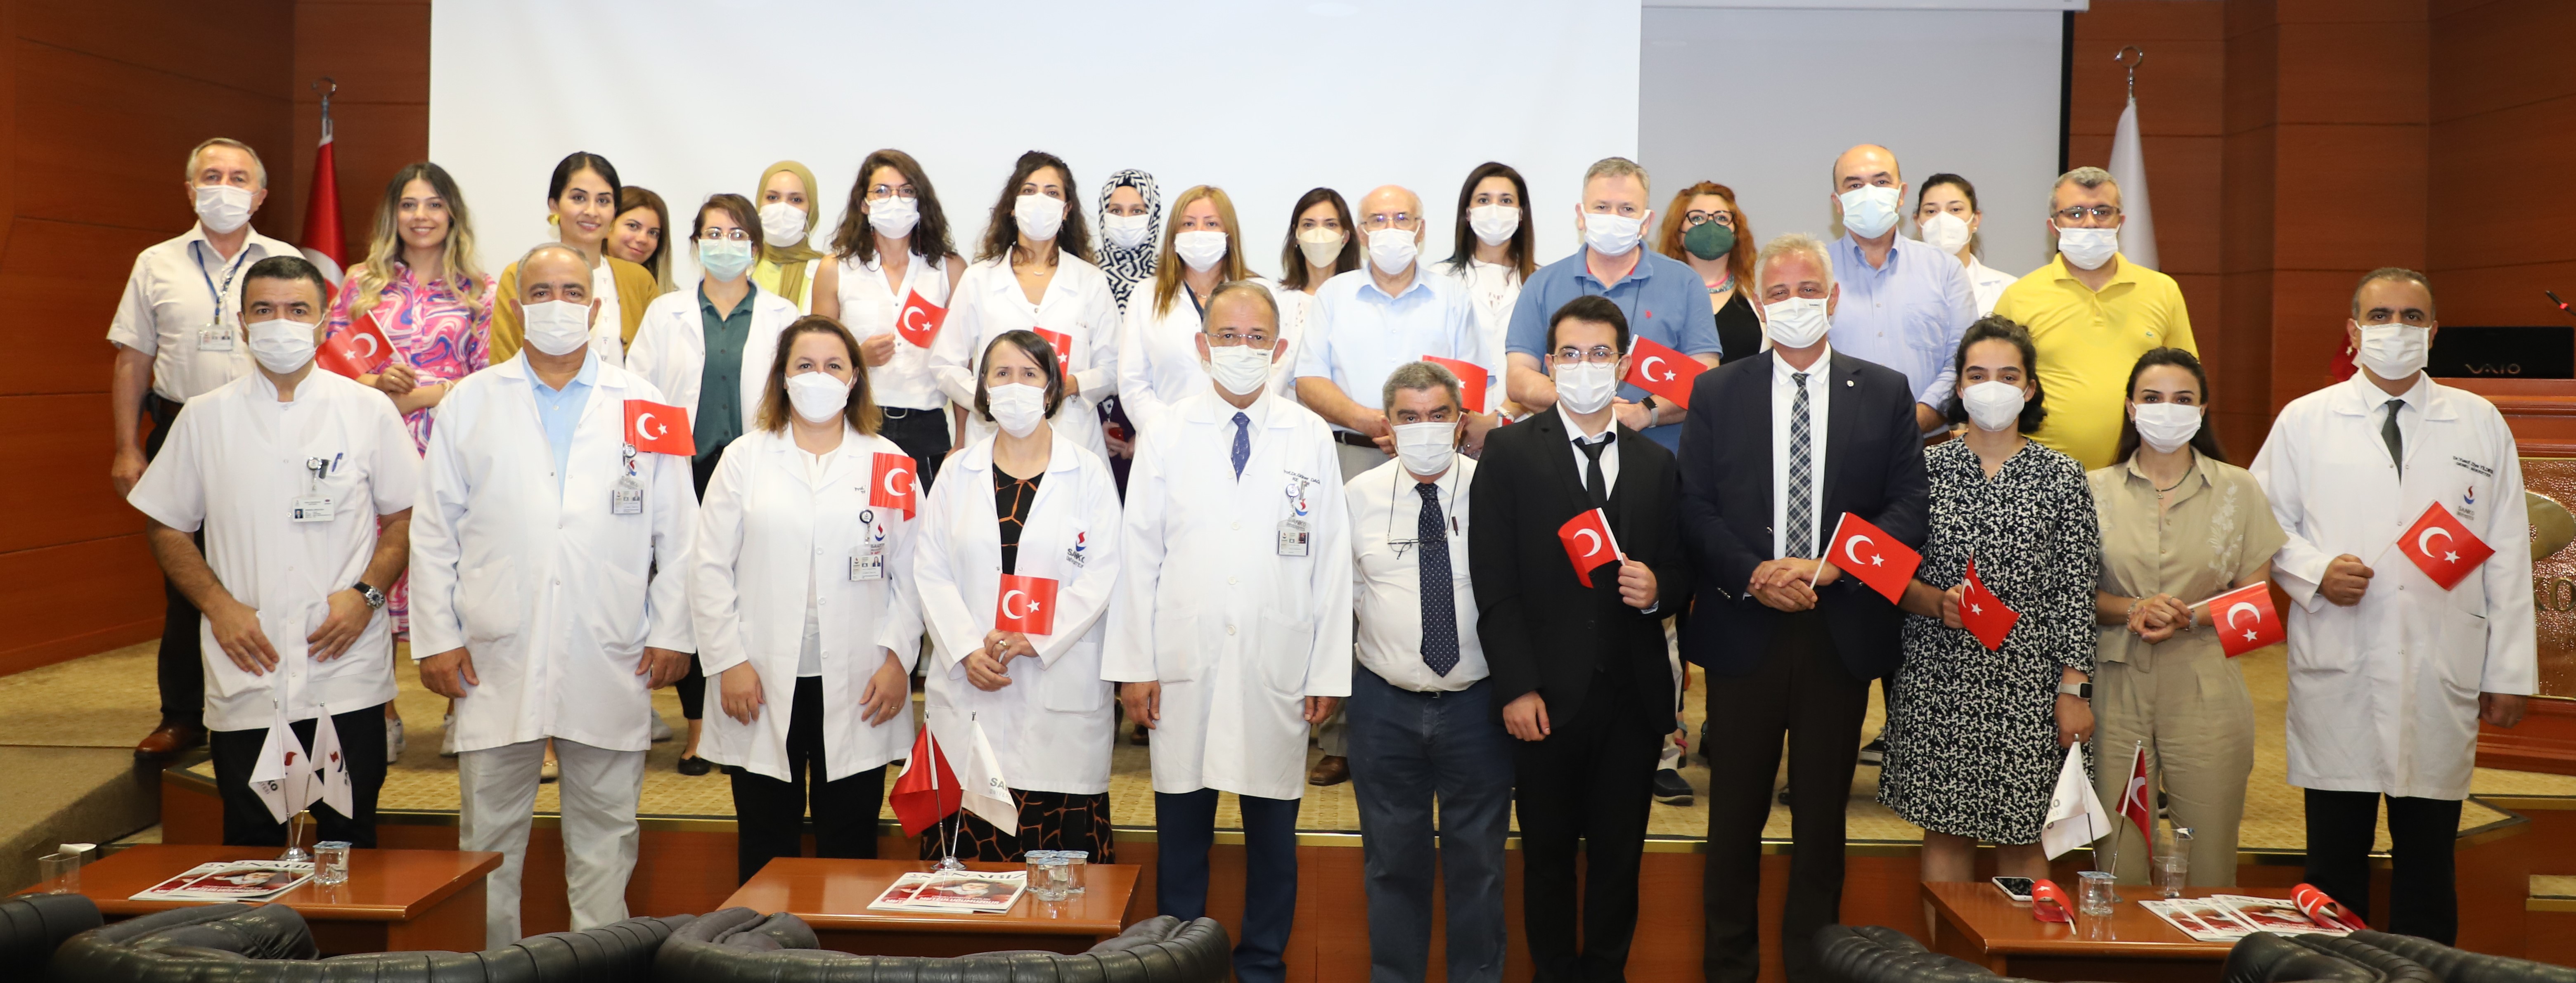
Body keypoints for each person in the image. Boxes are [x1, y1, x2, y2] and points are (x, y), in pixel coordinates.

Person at [410, 243, 697, 946]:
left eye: (572, 292)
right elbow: (434, 530)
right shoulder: (471, 401)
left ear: (595, 308)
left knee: (606, 837)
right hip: (494, 649)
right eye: (541, 293)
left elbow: (680, 534)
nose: (557, 306)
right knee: (487, 841)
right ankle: (494, 966)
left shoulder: (649, 405)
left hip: (611, 643)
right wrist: (438, 638)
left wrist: (673, 631)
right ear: (518, 307)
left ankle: (597, 965)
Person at [2250, 268, 2535, 944]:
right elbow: (2260, 523)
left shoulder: (2479, 421)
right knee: (2334, 861)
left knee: (2429, 861)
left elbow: (2507, 552)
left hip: (2440, 662)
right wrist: (2316, 571)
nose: (2396, 329)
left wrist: (2509, 671)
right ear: (2353, 331)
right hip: (2340, 656)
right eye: (2380, 316)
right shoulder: (2306, 419)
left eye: (2412, 316)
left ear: (2434, 332)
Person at [1679, 233, 1928, 983]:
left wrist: (1831, 566)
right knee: (1733, 821)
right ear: (1760, 306)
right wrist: (1755, 573)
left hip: (1838, 628)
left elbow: (1907, 509)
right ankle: (1729, 970)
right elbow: (1694, 507)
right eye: (1780, 292)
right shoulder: (1718, 391)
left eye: (1808, 290)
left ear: (1834, 298)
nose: (1795, 303)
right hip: (1744, 627)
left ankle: (1813, 970)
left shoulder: (1884, 390)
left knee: (1822, 824)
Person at [126, 255, 415, 847]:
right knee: (254, 843)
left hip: (344, 670)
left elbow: (407, 517)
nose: (281, 322)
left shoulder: (368, 410)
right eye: (265, 310)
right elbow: (167, 526)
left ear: (324, 322)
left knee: (348, 842)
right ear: (242, 322)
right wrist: (219, 607)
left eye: (297, 310)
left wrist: (366, 596)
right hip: (249, 667)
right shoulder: (204, 417)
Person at [1106, 282, 1350, 983]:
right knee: (1183, 839)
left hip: (1279, 660)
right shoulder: (1167, 431)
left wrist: (1327, 671)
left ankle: (1263, 965)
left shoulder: (1308, 433)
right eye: (1228, 336)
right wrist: (1135, 665)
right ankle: (1181, 966)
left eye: (1257, 338)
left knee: (1274, 842)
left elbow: (1332, 561)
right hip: (1183, 661)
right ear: (1202, 345)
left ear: (1279, 349)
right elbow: (1138, 555)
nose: (1242, 348)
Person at [1473, 295, 1689, 982]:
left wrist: (1660, 589)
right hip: (1543, 698)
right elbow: (1494, 582)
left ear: (1623, 365)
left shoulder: (1656, 463)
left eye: (1600, 354)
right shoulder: (1509, 452)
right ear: (1549, 364)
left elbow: (1683, 568)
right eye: (1571, 353)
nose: (1585, 365)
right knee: (1547, 858)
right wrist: (1517, 686)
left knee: (1620, 859)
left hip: (1632, 699)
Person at [1877, 318, 2101, 912]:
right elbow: (1889, 574)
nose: (1992, 387)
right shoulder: (1925, 470)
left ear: (2030, 388)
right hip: (1939, 677)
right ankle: (1943, 961)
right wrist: (1935, 601)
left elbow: (2075, 592)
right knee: (1945, 834)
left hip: (2030, 685)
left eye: (2008, 375)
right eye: (1978, 375)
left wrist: (2074, 690)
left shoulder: (2062, 476)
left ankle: (2018, 956)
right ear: (1959, 387)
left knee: (2024, 838)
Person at [690, 316, 919, 883]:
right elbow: (709, 568)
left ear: (855, 378)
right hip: (759, 678)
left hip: (864, 680)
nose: (819, 377)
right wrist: (729, 661)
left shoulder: (889, 462)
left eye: (834, 365)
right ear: (783, 377)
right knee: (767, 842)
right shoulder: (744, 458)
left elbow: (917, 573)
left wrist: (898, 660)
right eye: (805, 365)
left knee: (851, 841)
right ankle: (762, 941)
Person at [109, 137, 303, 761]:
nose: (225, 187)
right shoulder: (156, 263)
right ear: (191, 190)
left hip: (268, 432)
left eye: (238, 178)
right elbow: (133, 359)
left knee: (266, 565)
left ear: (261, 195)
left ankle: (276, 701)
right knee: (185, 575)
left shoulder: (285, 261)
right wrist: (126, 447)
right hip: (180, 429)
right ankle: (183, 716)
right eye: (212, 176)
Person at [911, 330, 1124, 862]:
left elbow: (1103, 573)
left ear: (1051, 389)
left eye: (1030, 374)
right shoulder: (957, 472)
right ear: (983, 388)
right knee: (969, 880)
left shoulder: (1088, 473)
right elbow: (930, 569)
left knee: (1062, 884)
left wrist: (1035, 637)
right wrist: (966, 649)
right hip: (972, 687)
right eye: (1002, 374)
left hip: (1060, 692)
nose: (1015, 385)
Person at [318, 162, 495, 760]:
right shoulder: (360, 283)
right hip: (372, 444)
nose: (422, 216)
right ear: (393, 214)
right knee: (375, 567)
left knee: (458, 572)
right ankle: (384, 713)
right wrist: (373, 383)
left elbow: (491, 379)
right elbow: (328, 366)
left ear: (453, 214)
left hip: (451, 445)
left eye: (435, 204)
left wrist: (418, 396)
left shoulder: (479, 290)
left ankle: (461, 707)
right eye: (410, 204)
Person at [2088, 347, 2280, 886]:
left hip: (2208, 682)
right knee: (2118, 862)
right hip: (2114, 683)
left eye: (2182, 399)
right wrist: (2133, 608)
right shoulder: (2091, 487)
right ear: (2131, 408)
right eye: (2152, 399)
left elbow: (2258, 605)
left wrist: (2187, 617)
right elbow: (2071, 595)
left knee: (2209, 861)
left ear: (2202, 410)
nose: (2166, 410)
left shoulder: (2239, 487)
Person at [627, 193, 805, 775]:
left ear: (755, 248)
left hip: (755, 471)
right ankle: (698, 727)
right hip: (684, 468)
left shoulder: (782, 315)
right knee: (688, 584)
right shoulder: (667, 313)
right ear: (696, 244)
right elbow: (639, 393)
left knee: (747, 587)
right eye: (713, 233)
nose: (725, 245)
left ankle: (752, 715)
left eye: (737, 234)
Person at [1343, 360, 1509, 983]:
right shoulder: (1357, 496)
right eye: (1409, 417)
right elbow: (1340, 597)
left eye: (1439, 414)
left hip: (1478, 704)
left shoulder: (1497, 488)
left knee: (1479, 865)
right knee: (1391, 865)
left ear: (1461, 421)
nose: (1425, 427)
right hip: (1383, 704)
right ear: (1387, 427)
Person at [1503, 158, 1723, 450]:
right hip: (1558, 455)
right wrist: (1579, 404)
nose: (1613, 217)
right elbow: (1519, 377)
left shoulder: (1685, 282)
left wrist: (1644, 413)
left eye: (1627, 209)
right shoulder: (1542, 284)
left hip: (1659, 458)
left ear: (1646, 222)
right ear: (1581, 216)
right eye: (1602, 207)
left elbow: (1705, 375)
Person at [1992, 167, 2197, 470]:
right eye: (2075, 213)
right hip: (2045, 474)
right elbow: (1996, 389)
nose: (2090, 223)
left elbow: (2187, 381)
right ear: (2054, 226)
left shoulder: (2163, 291)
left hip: (2141, 473)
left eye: (2103, 212)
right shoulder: (2019, 296)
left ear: (2120, 222)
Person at [1295, 184, 1499, 484]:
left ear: (1421, 230)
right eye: (1378, 220)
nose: (1390, 228)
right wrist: (1369, 422)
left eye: (1402, 218)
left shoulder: (1452, 296)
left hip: (1434, 458)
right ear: (1362, 233)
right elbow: (1309, 381)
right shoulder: (1333, 294)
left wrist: (1416, 428)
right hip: (1351, 455)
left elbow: (1469, 383)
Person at [932, 150, 1117, 464]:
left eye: (1052, 193)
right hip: (992, 438)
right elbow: (945, 365)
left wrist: (1070, 386)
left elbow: (1113, 368)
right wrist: (989, 398)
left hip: (1072, 437)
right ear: (1013, 206)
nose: (1040, 201)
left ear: (1067, 210)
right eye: (1029, 191)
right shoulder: (979, 278)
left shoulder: (1091, 281)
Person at [813, 148, 967, 494]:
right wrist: (857, 358)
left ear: (920, 201)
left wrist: (962, 440)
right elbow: (815, 356)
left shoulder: (950, 269)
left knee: (924, 525)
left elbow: (963, 363)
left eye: (906, 191)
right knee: (859, 522)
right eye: (882, 191)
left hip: (927, 426)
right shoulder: (836, 269)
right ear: (864, 204)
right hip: (860, 420)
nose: (894, 200)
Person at [1814, 144, 1977, 437]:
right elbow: (1800, 359)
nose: (1869, 193)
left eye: (1881, 182)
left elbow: (1964, 360)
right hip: (1837, 444)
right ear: (1838, 203)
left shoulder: (1945, 269)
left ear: (1901, 194)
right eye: (1855, 185)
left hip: (1928, 444)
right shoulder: (1814, 272)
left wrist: (1913, 422)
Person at [1118, 185, 1293, 437]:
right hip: (1170, 439)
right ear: (1174, 235)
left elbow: (1276, 366)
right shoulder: (1146, 295)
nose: (1199, 233)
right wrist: (1170, 431)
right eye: (1188, 224)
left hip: (1246, 433)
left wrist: (1241, 423)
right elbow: (1134, 383)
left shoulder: (1260, 291)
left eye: (1211, 224)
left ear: (1229, 234)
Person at [490, 152, 660, 364]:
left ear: (615, 211)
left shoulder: (639, 280)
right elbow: (504, 362)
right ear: (554, 205)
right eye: (579, 198)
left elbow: (654, 363)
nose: (592, 211)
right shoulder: (520, 274)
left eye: (603, 201)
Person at [1438, 163, 1536, 379]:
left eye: (1506, 201)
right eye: (1484, 200)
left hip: (1523, 400)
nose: (1495, 210)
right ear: (1468, 213)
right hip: (1458, 399)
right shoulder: (1439, 278)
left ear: (1521, 213)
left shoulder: (1542, 282)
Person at [1653, 181, 1765, 363]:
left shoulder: (1759, 291)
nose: (1711, 226)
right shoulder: (1656, 292)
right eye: (1697, 218)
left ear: (1737, 232)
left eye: (1722, 218)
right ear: (1678, 232)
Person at [1274, 187, 1362, 363]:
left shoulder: (1364, 299)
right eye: (1309, 225)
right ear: (1297, 235)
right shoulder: (1278, 302)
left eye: (1331, 225)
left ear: (1345, 237)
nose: (1319, 234)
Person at [1913, 173, 2015, 316]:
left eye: (1955, 210)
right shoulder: (1900, 286)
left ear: (1975, 220)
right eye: (1931, 211)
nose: (1943, 220)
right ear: (1918, 223)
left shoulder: (2007, 289)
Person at [752, 160, 825, 312]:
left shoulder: (825, 272)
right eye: (773, 198)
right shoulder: (742, 265)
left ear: (811, 211)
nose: (782, 208)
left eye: (796, 200)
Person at [1094, 169, 1163, 315]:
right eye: (1116, 211)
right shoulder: (1085, 269)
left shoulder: (1169, 274)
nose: (1126, 219)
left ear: (1153, 217)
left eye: (1137, 211)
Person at [608, 186, 673, 293]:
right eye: (633, 226)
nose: (643, 239)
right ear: (608, 225)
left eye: (653, 233)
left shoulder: (671, 298)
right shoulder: (582, 278)